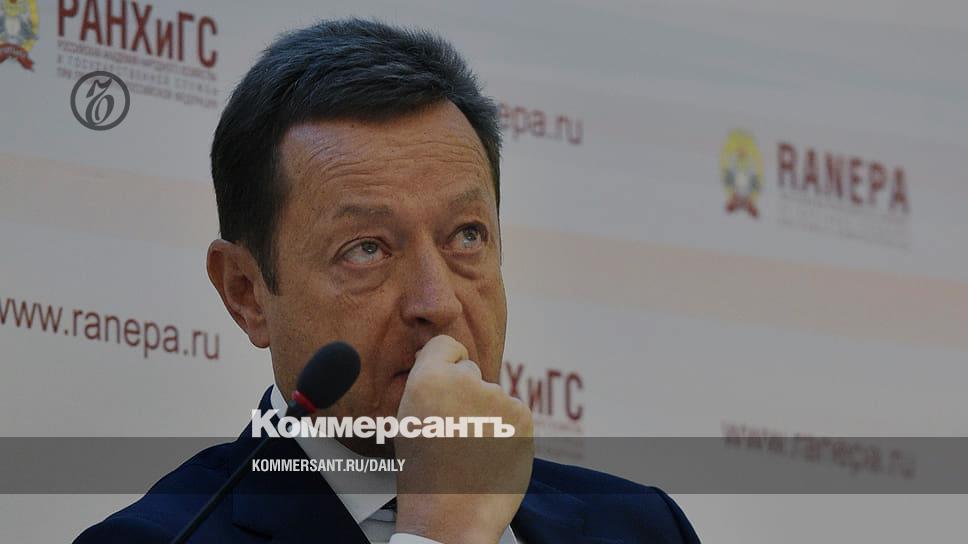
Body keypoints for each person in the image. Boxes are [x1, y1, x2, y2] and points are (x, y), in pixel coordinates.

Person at [75, 18, 700, 544]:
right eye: (367, 249)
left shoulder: (641, 528)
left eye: (467, 236)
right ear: (246, 292)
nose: (438, 303)